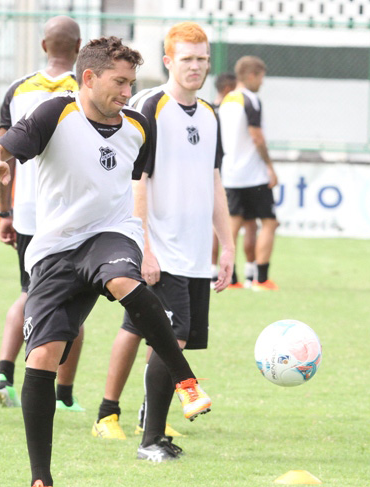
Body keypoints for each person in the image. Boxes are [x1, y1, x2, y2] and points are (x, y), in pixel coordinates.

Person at [0, 36, 212, 487]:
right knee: (41, 358)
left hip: (111, 236)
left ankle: (185, 379)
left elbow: (138, 185)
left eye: (131, 82)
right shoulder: (53, 113)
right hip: (54, 251)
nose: (128, 92)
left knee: (125, 282)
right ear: (89, 78)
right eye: (119, 82)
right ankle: (40, 484)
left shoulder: (137, 128)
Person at [90, 23, 234, 455]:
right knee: (173, 338)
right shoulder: (149, 106)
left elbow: (214, 182)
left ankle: (112, 412)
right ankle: (149, 434)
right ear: (169, 61)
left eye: (202, 58)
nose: (196, 66)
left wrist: (226, 246)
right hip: (159, 250)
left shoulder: (210, 114)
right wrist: (144, 248)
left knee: (139, 328)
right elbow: (135, 180)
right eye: (187, 58)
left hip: (193, 254)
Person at [0, 15, 85, 412]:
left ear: (45, 46)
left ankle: (2, 372)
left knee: (30, 292)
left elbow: (2, 156)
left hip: (27, 211)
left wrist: (4, 210)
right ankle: (63, 394)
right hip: (70, 212)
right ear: (78, 49)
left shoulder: (18, 89)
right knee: (76, 302)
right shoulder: (89, 87)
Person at [218, 55, 280, 291]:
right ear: (252, 75)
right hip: (253, 175)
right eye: (261, 77)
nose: (262, 83)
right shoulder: (251, 100)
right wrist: (270, 166)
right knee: (270, 222)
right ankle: (261, 279)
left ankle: (231, 278)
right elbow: (256, 136)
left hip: (230, 174)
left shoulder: (226, 101)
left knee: (232, 225)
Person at [209, 72, 256, 288]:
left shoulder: (207, 110)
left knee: (214, 224)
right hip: (228, 174)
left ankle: (211, 270)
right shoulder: (228, 110)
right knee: (237, 223)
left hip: (214, 171)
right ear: (229, 87)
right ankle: (245, 274)